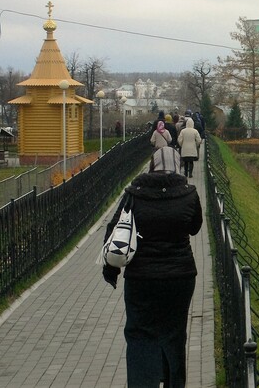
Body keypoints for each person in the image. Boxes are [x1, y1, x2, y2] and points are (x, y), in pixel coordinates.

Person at [102, 146, 202, 388]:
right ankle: (172, 382)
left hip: (141, 278)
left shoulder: (134, 194)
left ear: (152, 166)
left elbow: (114, 230)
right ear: (177, 167)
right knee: (174, 333)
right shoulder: (188, 194)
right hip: (180, 277)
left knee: (140, 333)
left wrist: (112, 270)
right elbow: (195, 227)